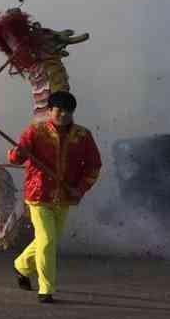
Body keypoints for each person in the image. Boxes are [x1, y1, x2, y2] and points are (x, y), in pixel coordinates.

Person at [9, 91, 101, 303]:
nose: (63, 115)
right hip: (39, 194)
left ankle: (21, 266)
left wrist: (81, 188)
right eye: (59, 110)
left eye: (68, 111)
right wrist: (19, 152)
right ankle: (46, 288)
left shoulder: (83, 136)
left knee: (49, 241)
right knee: (48, 240)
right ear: (49, 110)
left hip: (65, 196)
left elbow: (94, 165)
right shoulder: (35, 132)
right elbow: (16, 158)